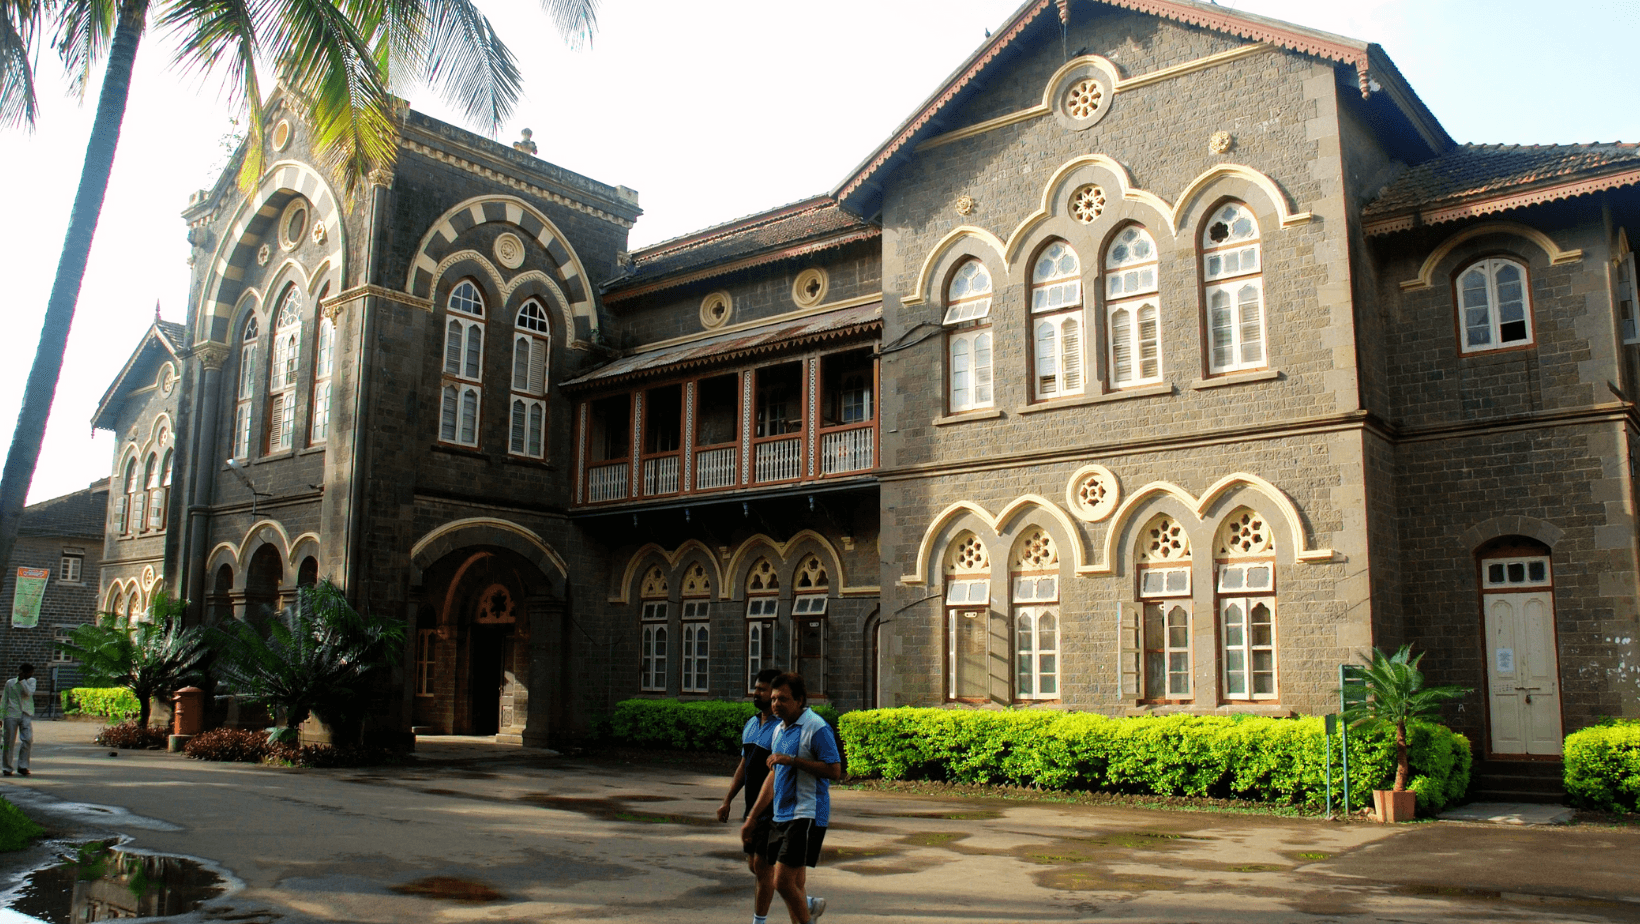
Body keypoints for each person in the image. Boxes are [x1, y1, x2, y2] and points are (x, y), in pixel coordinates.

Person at [742, 672, 841, 924]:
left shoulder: (816, 727)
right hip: (780, 815)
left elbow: (834, 770)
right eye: (773, 699)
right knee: (794, 882)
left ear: (799, 700)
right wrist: (752, 818)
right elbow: (773, 777)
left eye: (782, 699)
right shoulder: (780, 731)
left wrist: (793, 761)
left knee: (782, 881)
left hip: (807, 813)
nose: (775, 704)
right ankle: (808, 915)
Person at [718, 668, 782, 924]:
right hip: (751, 806)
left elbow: (777, 775)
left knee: (762, 868)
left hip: (772, 809)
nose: (756, 693)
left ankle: (759, 921)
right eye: (756, 688)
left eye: (762, 689)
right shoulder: (752, 724)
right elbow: (744, 766)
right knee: (755, 867)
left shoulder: (782, 729)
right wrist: (727, 800)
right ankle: (802, 900)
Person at [3, 664, 35, 777]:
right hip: (11, 714)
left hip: (25, 713)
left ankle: (23, 766)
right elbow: (4, 699)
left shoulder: (31, 682)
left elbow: (29, 693)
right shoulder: (10, 683)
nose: (29, 675)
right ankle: (7, 767)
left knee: (27, 739)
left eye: (30, 672)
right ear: (21, 672)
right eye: (27, 672)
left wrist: (22, 681)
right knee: (9, 741)